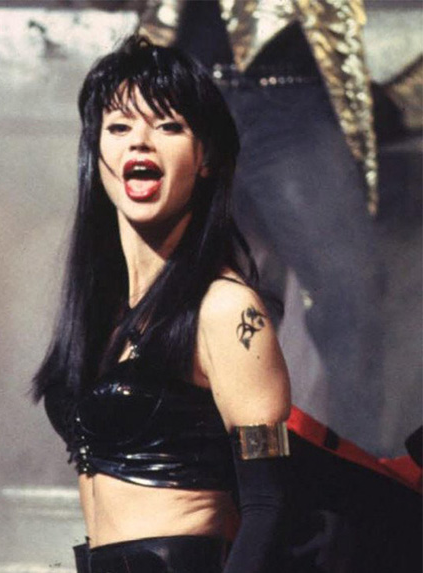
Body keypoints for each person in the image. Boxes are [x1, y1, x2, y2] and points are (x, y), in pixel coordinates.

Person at [36, 36, 293, 572]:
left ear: (206, 158)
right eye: (119, 127)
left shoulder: (226, 310)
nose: (140, 142)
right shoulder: (103, 310)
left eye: (169, 126)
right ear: (95, 153)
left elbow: (269, 505)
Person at [137, 0, 385, 453]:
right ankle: (188, 468)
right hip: (187, 89)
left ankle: (351, 475)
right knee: (182, 294)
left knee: (349, 294)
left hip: (291, 93)